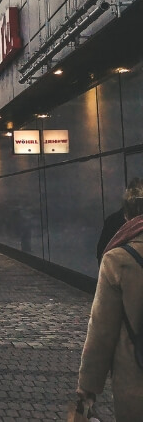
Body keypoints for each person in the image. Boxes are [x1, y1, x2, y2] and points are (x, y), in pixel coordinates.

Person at [78, 178, 143, 421]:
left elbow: (102, 330)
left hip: (135, 379)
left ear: (127, 216)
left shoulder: (118, 259)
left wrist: (88, 386)